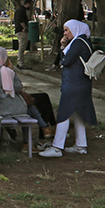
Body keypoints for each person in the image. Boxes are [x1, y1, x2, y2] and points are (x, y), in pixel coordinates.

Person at [40, 20, 97, 158]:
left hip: (74, 84)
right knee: (78, 113)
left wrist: (63, 50)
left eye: (67, 30)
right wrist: (63, 46)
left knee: (64, 113)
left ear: (75, 29)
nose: (65, 33)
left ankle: (57, 147)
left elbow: (65, 61)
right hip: (81, 83)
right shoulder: (82, 41)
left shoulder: (78, 43)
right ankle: (81, 145)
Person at [14, 0, 33, 69]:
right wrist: (25, 28)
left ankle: (19, 62)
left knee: (21, 47)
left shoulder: (20, 10)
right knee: (22, 48)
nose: (31, 7)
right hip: (21, 31)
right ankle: (21, 63)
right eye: (30, 5)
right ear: (27, 4)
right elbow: (21, 20)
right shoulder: (21, 10)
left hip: (19, 30)